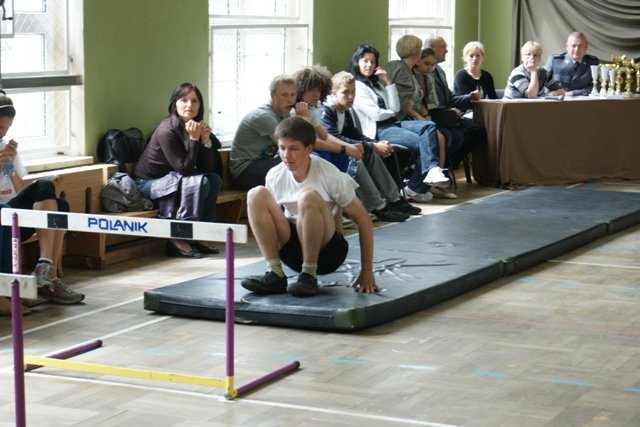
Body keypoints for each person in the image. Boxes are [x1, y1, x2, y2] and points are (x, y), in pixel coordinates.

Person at [241, 116, 378, 297]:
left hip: (328, 253)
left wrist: (367, 270)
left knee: (307, 196)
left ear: (309, 149)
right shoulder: (275, 175)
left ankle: (309, 276)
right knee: (256, 194)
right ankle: (274, 273)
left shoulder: (329, 173)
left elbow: (364, 221)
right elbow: (271, 220)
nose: (286, 155)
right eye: (282, 148)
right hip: (294, 250)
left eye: (293, 149)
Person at [0, 90, 84, 307]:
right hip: (2, 215)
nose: (2, 133)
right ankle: (46, 271)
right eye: (0, 127)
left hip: (12, 212)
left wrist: (9, 166)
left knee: (60, 205)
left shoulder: (5, 147)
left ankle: (47, 275)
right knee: (45, 189)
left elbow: (18, 189)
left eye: (6, 129)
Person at [349, 44, 449, 204]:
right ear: (357, 62)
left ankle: (424, 178)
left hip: (393, 123)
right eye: (365, 61)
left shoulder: (377, 83)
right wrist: (390, 112)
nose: (369, 65)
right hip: (379, 129)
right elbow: (376, 114)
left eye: (373, 62)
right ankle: (418, 186)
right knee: (428, 144)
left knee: (429, 126)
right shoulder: (357, 86)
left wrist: (388, 82)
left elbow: (395, 107)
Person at [134, 82, 222, 259]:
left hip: (174, 181)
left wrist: (205, 141)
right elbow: (184, 169)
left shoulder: (193, 126)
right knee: (201, 183)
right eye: (184, 100)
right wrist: (194, 140)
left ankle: (200, 234)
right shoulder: (167, 130)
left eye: (195, 101)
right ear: (175, 104)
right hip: (148, 185)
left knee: (213, 179)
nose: (190, 105)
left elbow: (207, 168)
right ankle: (178, 238)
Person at [320, 71, 422, 219]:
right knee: (357, 159)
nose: (350, 96)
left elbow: (354, 135)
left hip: (343, 150)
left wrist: (375, 144)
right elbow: (335, 138)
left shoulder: (344, 110)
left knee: (372, 154)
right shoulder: (327, 110)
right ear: (334, 93)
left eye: (353, 92)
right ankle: (377, 206)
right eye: (345, 92)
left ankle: (394, 199)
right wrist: (372, 146)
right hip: (331, 155)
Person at [385, 35, 457, 199]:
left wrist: (423, 115)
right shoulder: (399, 68)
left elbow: (414, 100)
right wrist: (420, 117)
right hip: (397, 119)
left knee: (438, 135)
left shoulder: (410, 71)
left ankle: (429, 181)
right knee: (435, 137)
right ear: (415, 53)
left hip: (407, 117)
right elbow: (402, 104)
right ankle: (420, 184)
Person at [423, 35, 486, 172]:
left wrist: (468, 98)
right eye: (443, 47)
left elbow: (450, 98)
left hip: (448, 115)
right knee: (454, 137)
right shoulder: (422, 71)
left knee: (478, 130)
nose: (446, 50)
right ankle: (440, 169)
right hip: (433, 117)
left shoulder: (440, 71)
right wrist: (450, 112)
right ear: (431, 49)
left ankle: (449, 165)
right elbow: (427, 103)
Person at [230, 75, 296, 191]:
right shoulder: (264, 116)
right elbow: (289, 145)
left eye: (293, 94)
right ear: (273, 96)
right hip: (244, 172)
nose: (290, 100)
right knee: (295, 159)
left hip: (263, 164)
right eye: (284, 95)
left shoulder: (285, 113)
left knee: (300, 159)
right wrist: (304, 118)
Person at [544, 32, 599, 97]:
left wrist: (573, 93)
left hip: (583, 104)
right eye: (573, 46)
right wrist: (551, 93)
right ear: (567, 47)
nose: (577, 49)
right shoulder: (554, 60)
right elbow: (542, 82)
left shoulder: (592, 62)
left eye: (580, 46)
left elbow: (597, 86)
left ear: (586, 48)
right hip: (558, 102)